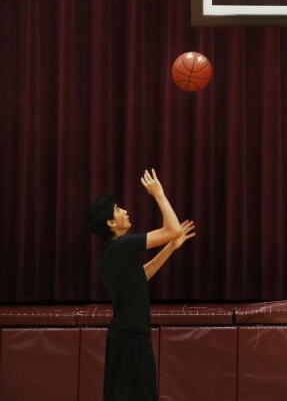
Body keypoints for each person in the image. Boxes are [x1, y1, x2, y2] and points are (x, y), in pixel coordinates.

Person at [85, 169, 196, 401]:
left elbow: (141, 275)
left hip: (124, 337)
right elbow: (172, 229)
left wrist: (170, 248)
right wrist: (159, 194)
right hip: (131, 337)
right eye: (118, 209)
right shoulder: (123, 245)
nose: (125, 211)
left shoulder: (110, 253)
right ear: (110, 222)